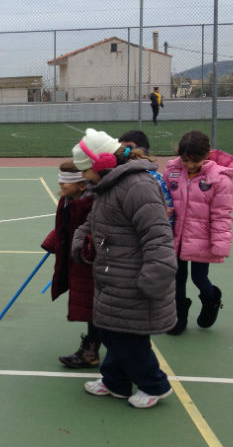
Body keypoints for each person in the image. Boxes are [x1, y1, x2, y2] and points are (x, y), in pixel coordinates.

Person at [70, 128, 177, 409]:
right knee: (110, 331)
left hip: (135, 280)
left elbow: (158, 235)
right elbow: (95, 222)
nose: (83, 176)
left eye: (85, 170)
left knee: (129, 340)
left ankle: (155, 385)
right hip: (113, 276)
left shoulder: (137, 186)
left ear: (100, 164)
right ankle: (115, 381)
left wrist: (155, 276)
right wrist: (80, 240)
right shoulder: (109, 187)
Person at [163, 130, 233, 335]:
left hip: (201, 239)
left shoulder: (219, 180)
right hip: (176, 237)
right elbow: (162, 197)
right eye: (185, 160)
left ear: (206, 155)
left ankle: (212, 298)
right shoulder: (172, 172)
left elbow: (222, 214)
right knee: (177, 278)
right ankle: (178, 316)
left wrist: (220, 243)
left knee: (199, 278)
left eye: (194, 161)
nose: (189, 165)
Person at [40, 161, 98, 368]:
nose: (61, 185)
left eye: (66, 181)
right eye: (60, 180)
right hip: (75, 259)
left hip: (89, 261)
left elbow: (90, 230)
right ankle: (92, 347)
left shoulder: (91, 203)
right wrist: (53, 241)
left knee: (93, 305)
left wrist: (85, 249)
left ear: (81, 184)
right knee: (89, 304)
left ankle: (92, 349)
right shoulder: (66, 200)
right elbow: (64, 226)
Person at [118, 130, 174, 227]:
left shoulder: (157, 179)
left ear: (142, 151)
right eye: (121, 149)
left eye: (128, 149)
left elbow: (168, 213)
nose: (125, 154)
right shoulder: (118, 176)